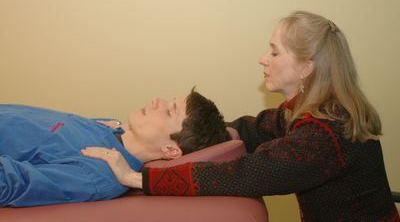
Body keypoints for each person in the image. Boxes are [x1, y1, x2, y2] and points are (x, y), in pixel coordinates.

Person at [83, 11, 399, 221]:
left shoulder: (325, 133)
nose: (263, 59)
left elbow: (247, 173)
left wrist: (137, 178)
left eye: (275, 52)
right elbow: (251, 128)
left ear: (305, 68)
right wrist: (196, 133)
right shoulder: (311, 111)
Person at [0, 88, 231, 207]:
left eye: (169, 111)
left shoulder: (97, 174)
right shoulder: (112, 129)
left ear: (171, 150)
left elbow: (10, 185)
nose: (155, 101)